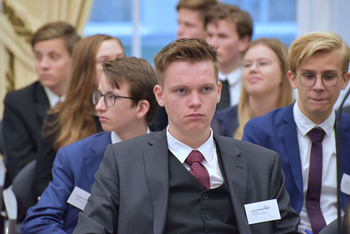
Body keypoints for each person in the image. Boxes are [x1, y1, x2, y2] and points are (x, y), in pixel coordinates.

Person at [73, 38, 300, 234]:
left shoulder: (261, 163)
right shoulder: (123, 161)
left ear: (219, 92)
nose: (195, 102)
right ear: (160, 96)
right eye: (181, 91)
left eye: (205, 89)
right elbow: (91, 228)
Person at [21, 57, 158, 234]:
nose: (99, 106)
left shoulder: (169, 156)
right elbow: (38, 221)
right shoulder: (74, 156)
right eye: (99, 95)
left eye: (111, 97)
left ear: (141, 108)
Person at [242, 31, 350, 234]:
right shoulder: (261, 132)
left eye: (329, 77)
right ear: (292, 78)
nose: (318, 87)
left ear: (345, 80)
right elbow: (255, 208)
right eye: (308, 76)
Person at [32, 34, 125, 201]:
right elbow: (41, 182)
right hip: (75, 214)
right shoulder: (59, 117)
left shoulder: (136, 113)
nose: (116, 67)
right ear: (85, 68)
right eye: (105, 61)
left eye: (120, 58)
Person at [2, 21, 80, 186]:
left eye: (54, 56)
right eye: (38, 56)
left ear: (75, 59)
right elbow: (21, 167)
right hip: (34, 195)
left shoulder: (91, 100)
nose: (43, 65)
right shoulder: (17, 102)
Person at [212, 38, 294, 139]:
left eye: (263, 63)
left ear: (284, 72)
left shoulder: (299, 118)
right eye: (247, 64)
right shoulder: (221, 123)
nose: (253, 69)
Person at [205, 3, 253, 110]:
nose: (213, 44)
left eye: (222, 36)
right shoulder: (196, 81)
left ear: (243, 42)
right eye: (210, 35)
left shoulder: (255, 83)